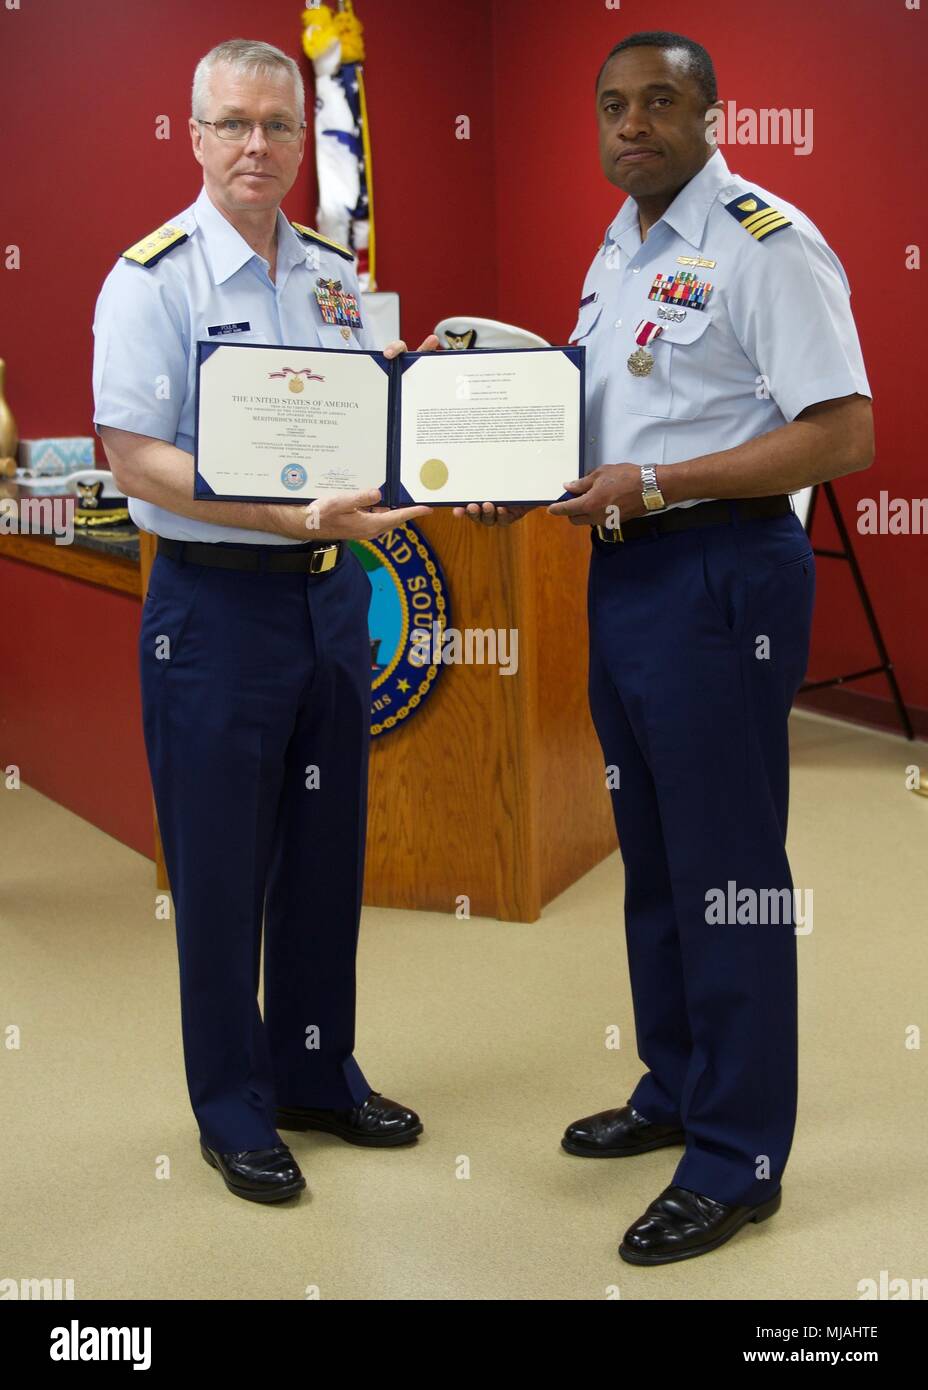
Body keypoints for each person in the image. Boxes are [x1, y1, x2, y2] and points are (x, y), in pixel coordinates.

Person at [456, 30, 873, 1264]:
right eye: (611, 106)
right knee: (652, 851)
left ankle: (738, 1155)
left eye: (658, 102)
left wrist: (659, 481)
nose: (630, 124)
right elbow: (612, 408)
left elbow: (843, 432)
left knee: (728, 865)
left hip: (720, 573)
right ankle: (677, 1083)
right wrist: (509, 469)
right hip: (628, 571)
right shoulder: (622, 246)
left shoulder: (761, 242)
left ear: (708, 113)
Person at [93, 38, 436, 1204]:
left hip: (331, 599)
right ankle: (232, 1106)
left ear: (303, 138)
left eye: (277, 126)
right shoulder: (150, 280)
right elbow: (133, 454)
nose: (255, 146)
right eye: (232, 123)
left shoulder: (336, 274)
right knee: (221, 870)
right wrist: (276, 513)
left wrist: (441, 442)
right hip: (215, 606)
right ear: (192, 134)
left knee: (326, 854)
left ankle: (313, 1074)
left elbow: (375, 412)